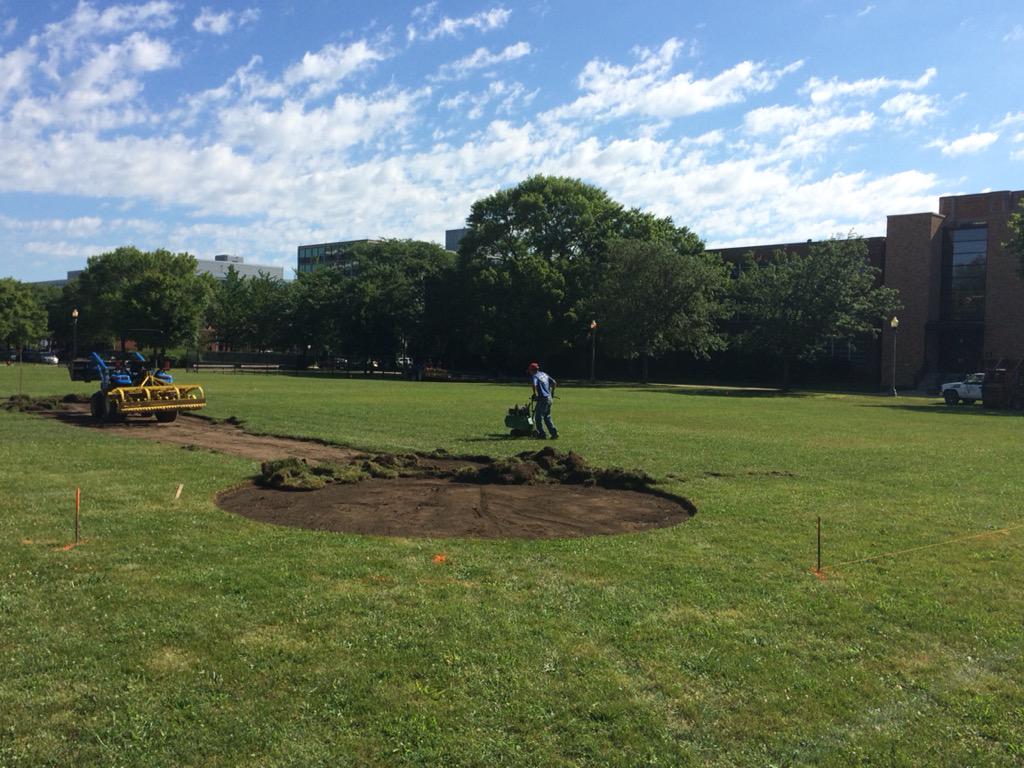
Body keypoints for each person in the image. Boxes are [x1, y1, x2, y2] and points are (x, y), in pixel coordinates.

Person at [527, 361, 558, 439]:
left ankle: (542, 434)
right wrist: (552, 393)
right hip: (549, 398)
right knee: (547, 416)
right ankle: (554, 433)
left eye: (530, 371)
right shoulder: (544, 374)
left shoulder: (535, 376)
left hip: (543, 399)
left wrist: (534, 393)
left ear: (532, 370)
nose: (529, 372)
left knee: (538, 417)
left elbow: (534, 384)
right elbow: (554, 382)